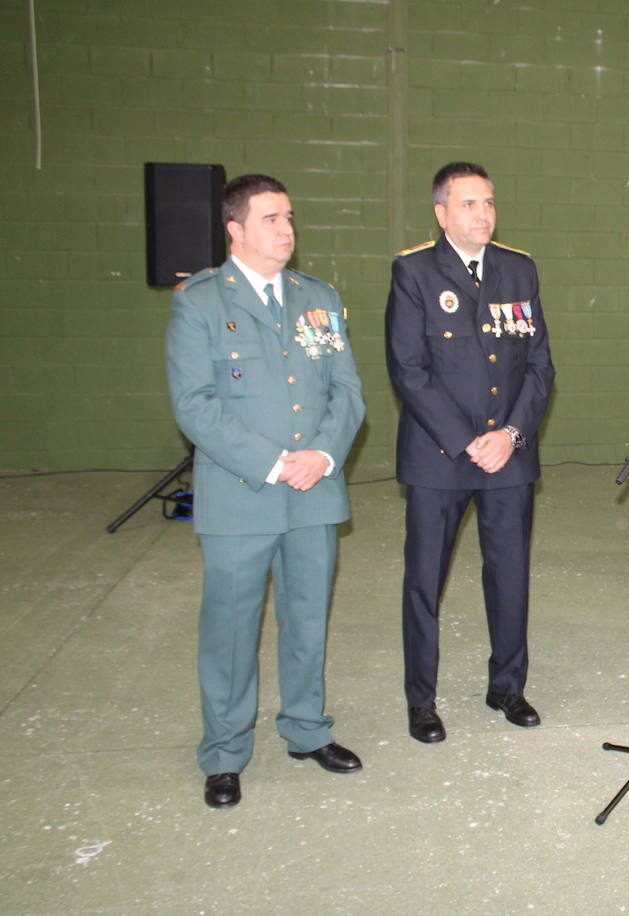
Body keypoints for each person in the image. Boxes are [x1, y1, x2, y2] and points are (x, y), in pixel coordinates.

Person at [165, 174, 366, 809]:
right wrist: (277, 462)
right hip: (241, 493)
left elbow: (347, 391)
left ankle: (307, 730)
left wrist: (324, 453)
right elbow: (194, 406)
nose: (286, 230)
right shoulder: (200, 302)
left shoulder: (318, 298)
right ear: (235, 229)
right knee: (230, 627)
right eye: (271, 219)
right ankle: (225, 752)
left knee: (307, 617)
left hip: (314, 489)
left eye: (289, 218)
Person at [385, 161, 555, 739]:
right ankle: (421, 700)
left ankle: (508, 687)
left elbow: (539, 367)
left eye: (488, 202)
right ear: (441, 213)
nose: (482, 214)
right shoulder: (413, 271)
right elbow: (409, 371)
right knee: (425, 580)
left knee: (509, 575)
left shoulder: (519, 270)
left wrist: (508, 435)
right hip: (439, 458)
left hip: (508, 457)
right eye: (468, 204)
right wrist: (467, 441)